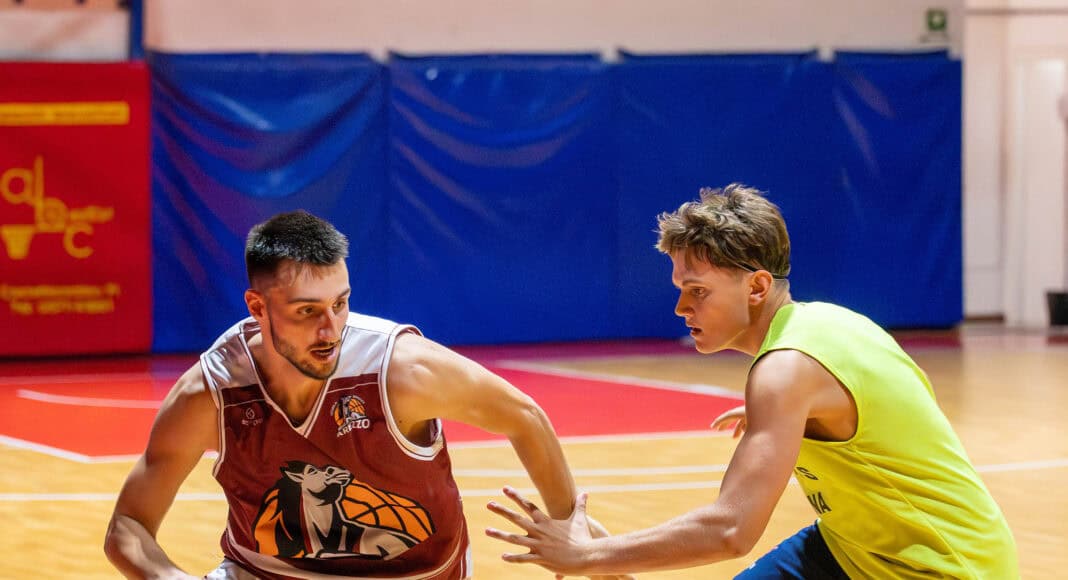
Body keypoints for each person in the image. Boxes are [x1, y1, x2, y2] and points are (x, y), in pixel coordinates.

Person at [486, 184, 1019, 579]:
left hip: (940, 567)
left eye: (697, 290)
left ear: (758, 286)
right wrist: (792, 418)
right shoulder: (827, 325)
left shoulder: (785, 371)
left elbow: (730, 531)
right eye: (679, 288)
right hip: (856, 546)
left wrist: (587, 556)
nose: (680, 306)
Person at [104, 210, 620, 579]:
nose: (331, 329)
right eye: (307, 311)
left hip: (415, 574)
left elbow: (524, 415)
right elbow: (128, 526)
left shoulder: (400, 370)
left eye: (341, 303)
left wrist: (571, 533)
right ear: (257, 307)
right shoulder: (212, 394)